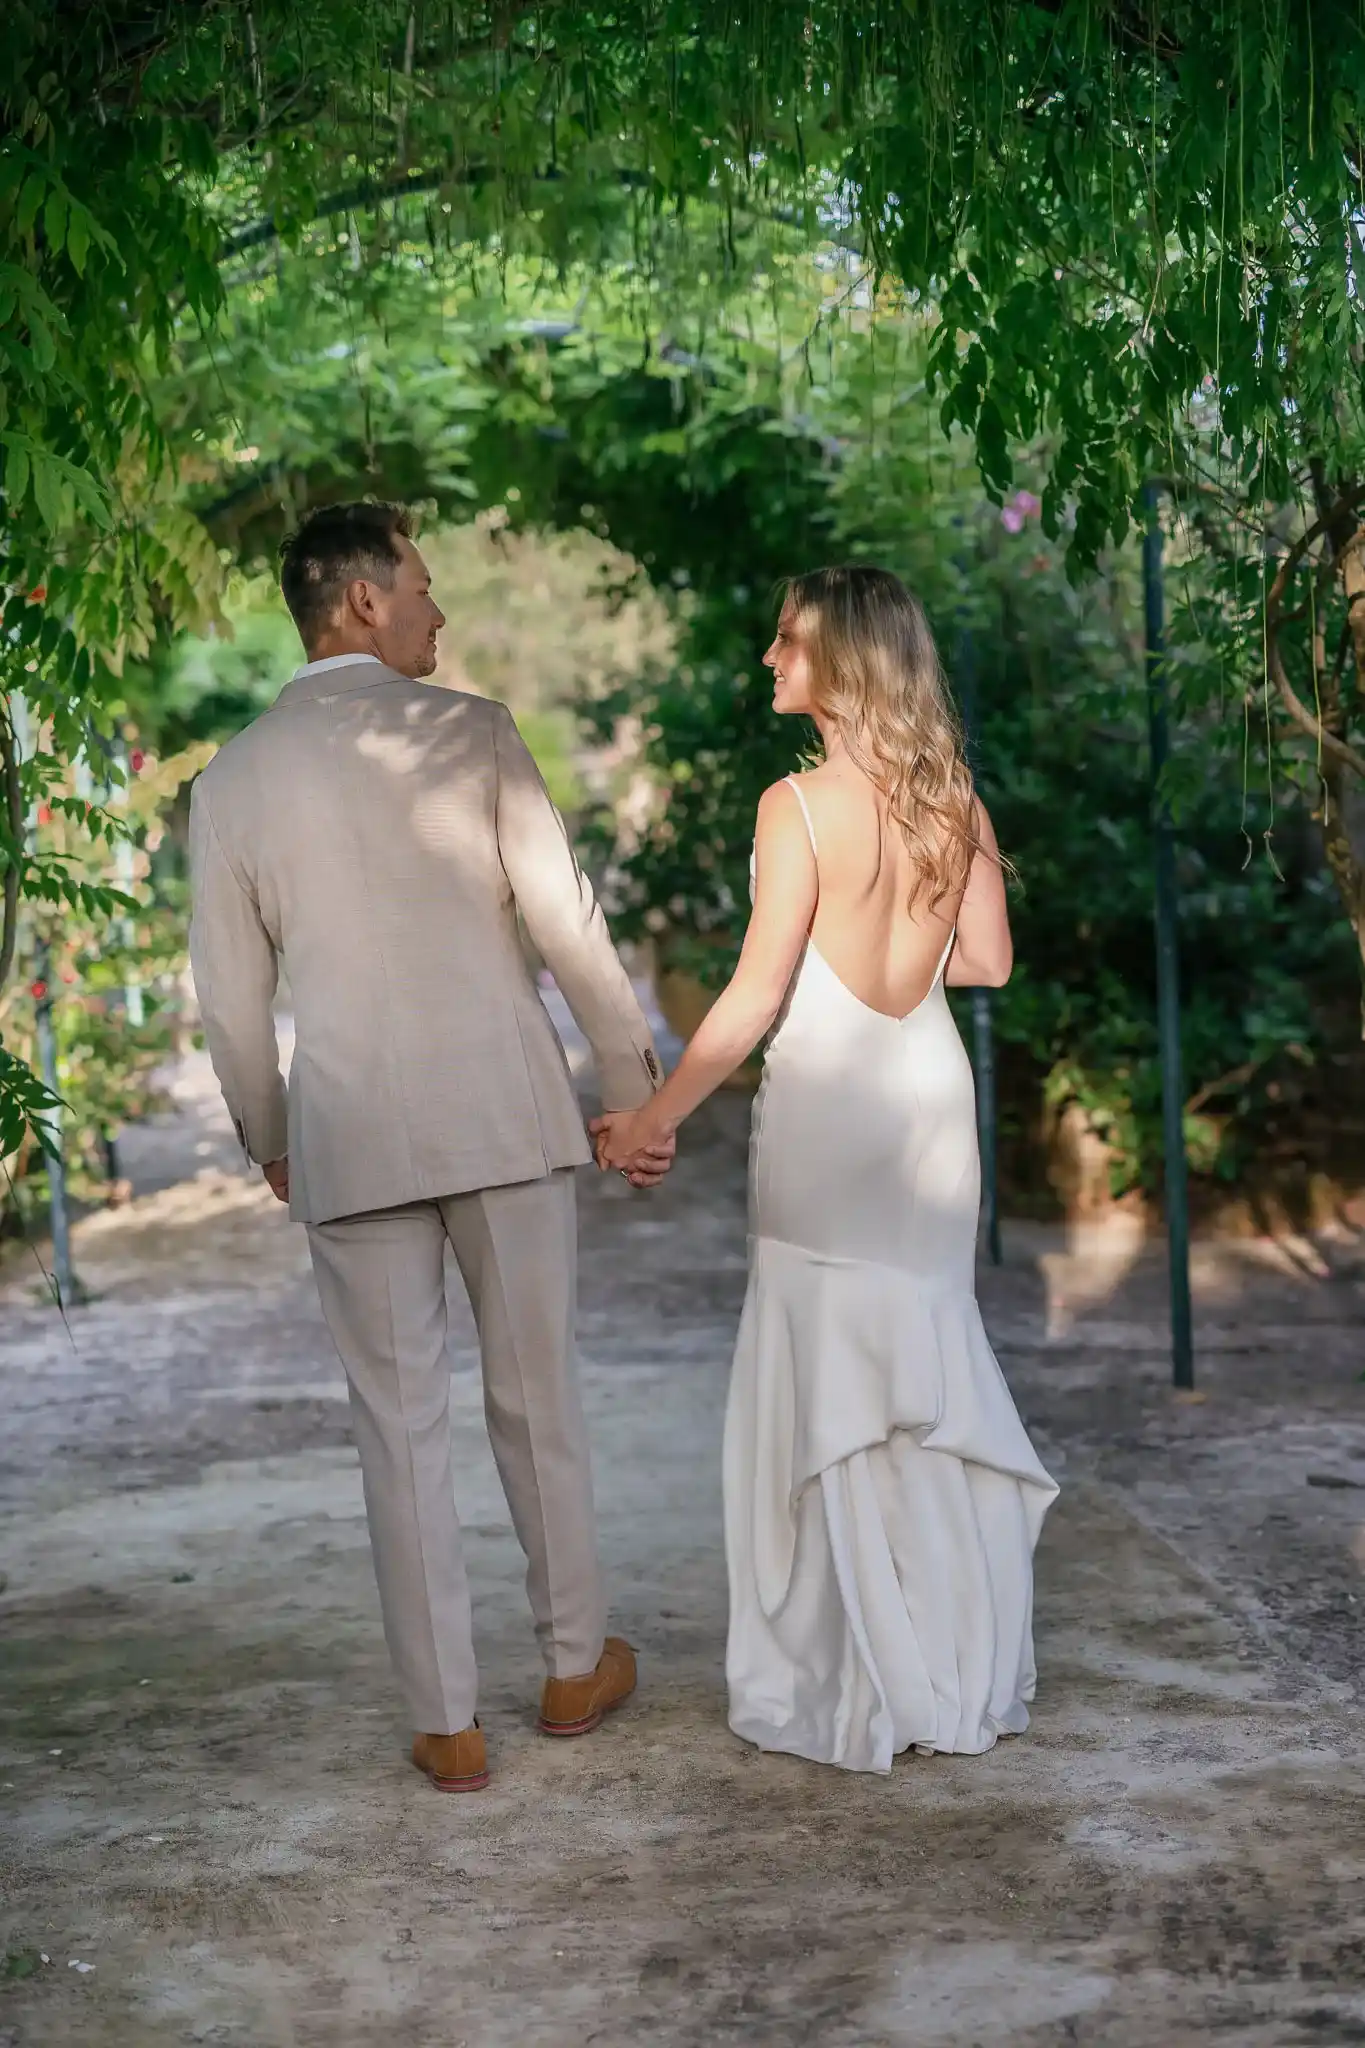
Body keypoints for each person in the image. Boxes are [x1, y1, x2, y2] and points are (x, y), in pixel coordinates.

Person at [188, 500, 672, 1795]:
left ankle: (447, 1724)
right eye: (421, 584)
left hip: (351, 1136)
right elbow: (569, 928)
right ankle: (573, 1667)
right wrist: (632, 1092)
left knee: (395, 1428)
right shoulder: (476, 736)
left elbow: (231, 1011)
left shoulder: (230, 782)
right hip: (502, 1118)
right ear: (359, 600)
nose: (438, 609)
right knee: (537, 1400)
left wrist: (274, 1139)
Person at [595, 565, 1058, 1773]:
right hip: (927, 1093)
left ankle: (855, 1671)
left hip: (833, 1106)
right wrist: (895, 960)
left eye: (787, 637)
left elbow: (754, 993)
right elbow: (990, 963)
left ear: (843, 659)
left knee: (829, 1362)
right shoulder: (954, 796)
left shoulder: (795, 806)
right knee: (925, 1359)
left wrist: (657, 1113)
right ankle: (951, 1661)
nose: (768, 656)